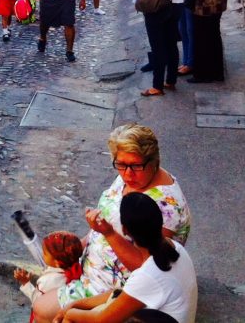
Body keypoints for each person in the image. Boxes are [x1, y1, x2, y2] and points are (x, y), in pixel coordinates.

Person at [33, 124, 192, 321]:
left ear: (153, 162)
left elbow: (148, 265)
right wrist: (79, 246)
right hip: (96, 267)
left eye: (135, 166)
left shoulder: (164, 208)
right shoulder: (133, 177)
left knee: (41, 308)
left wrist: (109, 234)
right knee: (47, 280)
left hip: (113, 283)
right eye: (121, 165)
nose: (127, 174)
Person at [54, 193, 197, 322]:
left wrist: (70, 313)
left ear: (124, 230)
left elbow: (101, 320)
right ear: (159, 222)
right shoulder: (175, 248)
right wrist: (75, 304)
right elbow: (124, 294)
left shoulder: (147, 275)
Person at [13, 232, 84, 311]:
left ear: (57, 262)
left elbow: (38, 302)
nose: (42, 255)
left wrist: (25, 283)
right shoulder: (80, 267)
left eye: (45, 254)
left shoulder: (48, 281)